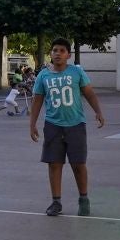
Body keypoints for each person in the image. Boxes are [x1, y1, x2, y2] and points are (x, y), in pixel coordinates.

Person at [28, 38, 106, 217]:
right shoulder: (43, 76)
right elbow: (37, 101)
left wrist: (98, 112)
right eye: (55, 50)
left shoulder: (76, 72)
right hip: (53, 125)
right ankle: (56, 201)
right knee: (54, 164)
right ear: (51, 54)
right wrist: (32, 124)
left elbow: (89, 94)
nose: (58, 53)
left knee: (78, 164)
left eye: (62, 51)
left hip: (76, 125)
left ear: (68, 55)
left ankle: (83, 199)